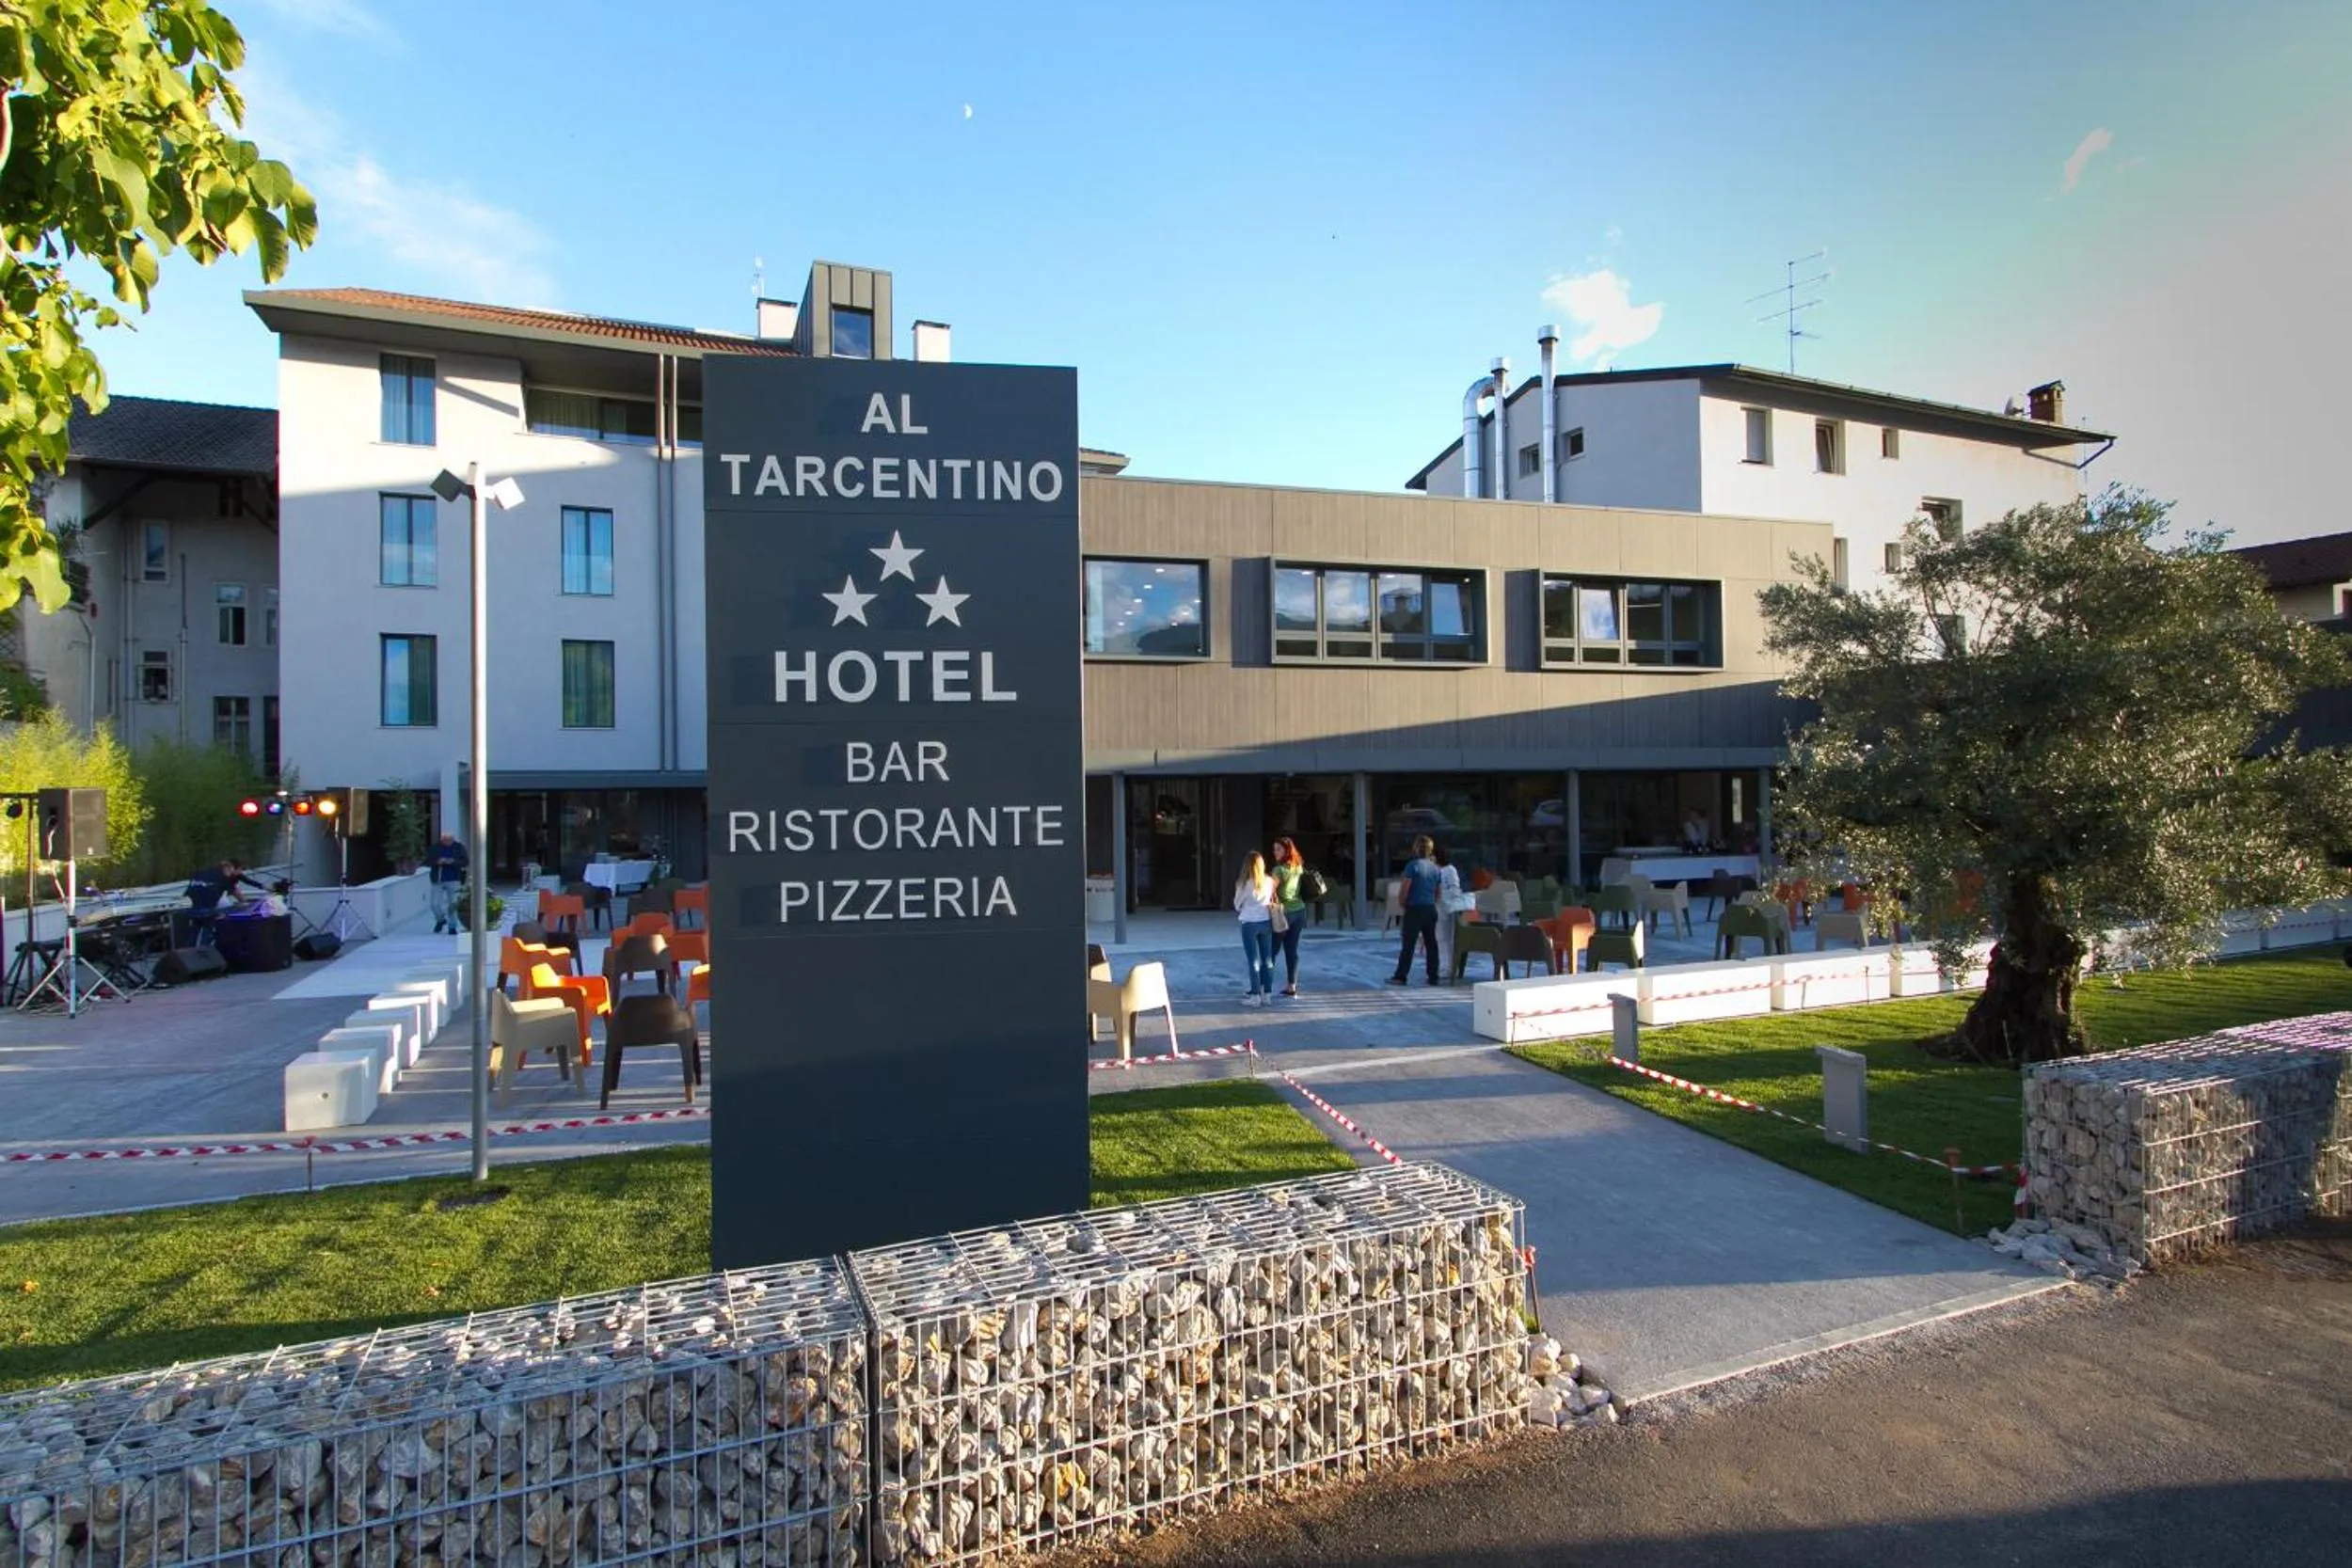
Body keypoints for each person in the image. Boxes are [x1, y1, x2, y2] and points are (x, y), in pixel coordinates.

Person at [1389, 835, 1443, 986]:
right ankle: (1433, 976)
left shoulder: (1412, 866)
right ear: (1430, 850)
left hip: (1414, 908)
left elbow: (1405, 887)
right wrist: (1431, 902)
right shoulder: (1436, 869)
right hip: (1430, 908)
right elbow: (1438, 892)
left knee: (1409, 944)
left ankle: (1401, 976)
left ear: (1415, 849)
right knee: (1431, 943)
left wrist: (1403, 903)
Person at [1232, 851, 1279, 1006]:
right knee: (1267, 959)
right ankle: (1267, 993)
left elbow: (1236, 905)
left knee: (1253, 960)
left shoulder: (1244, 883)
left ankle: (1255, 995)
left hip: (1248, 923)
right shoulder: (1269, 881)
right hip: (1265, 921)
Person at [1269, 837, 1310, 998]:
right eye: (1274, 849)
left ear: (1287, 850)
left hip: (1283, 913)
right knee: (1291, 950)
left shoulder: (1278, 871)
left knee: (1272, 950)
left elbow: (1270, 891)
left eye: (1279, 849)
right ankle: (1291, 986)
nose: (1275, 852)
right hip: (1299, 911)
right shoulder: (1298, 867)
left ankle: (1265, 986)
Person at [1433, 844, 1467, 984]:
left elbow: (1454, 889)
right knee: (1441, 938)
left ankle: (1449, 967)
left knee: (1447, 938)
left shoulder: (1448, 870)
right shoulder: (1440, 869)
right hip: (1439, 906)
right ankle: (1446, 966)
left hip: (1447, 906)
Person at [428, 831, 469, 933]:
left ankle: (452, 926)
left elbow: (465, 861)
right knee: (434, 904)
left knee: (453, 904)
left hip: (454, 879)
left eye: (449, 840)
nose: (447, 842)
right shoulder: (435, 847)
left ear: (453, 839)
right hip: (438, 879)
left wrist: (454, 861)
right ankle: (441, 920)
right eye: (444, 840)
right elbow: (428, 861)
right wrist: (438, 862)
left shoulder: (459, 847)